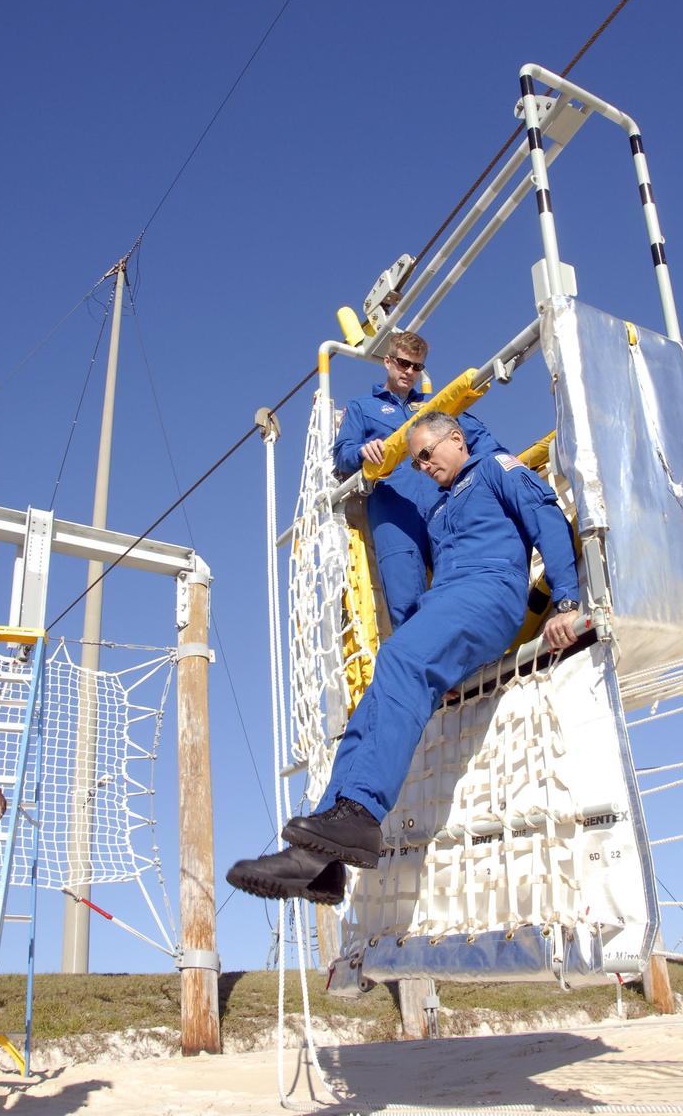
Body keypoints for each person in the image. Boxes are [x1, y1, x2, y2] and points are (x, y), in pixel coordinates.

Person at [227, 410, 580, 904]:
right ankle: (319, 860)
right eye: (415, 462)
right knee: (376, 698)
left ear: (456, 439)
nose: (423, 467)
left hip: (489, 592)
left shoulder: (496, 468)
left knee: (400, 659)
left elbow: (547, 517)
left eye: (426, 456)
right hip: (448, 605)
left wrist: (566, 599)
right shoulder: (436, 506)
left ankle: (361, 813)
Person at [333, 330, 500, 628]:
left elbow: (477, 437)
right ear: (387, 361)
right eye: (403, 363)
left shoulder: (435, 405)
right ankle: (417, 670)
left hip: (442, 504)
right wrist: (362, 450)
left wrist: (506, 466)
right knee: (407, 606)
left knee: (462, 589)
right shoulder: (362, 407)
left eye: (417, 367)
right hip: (394, 512)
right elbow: (341, 455)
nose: (409, 372)